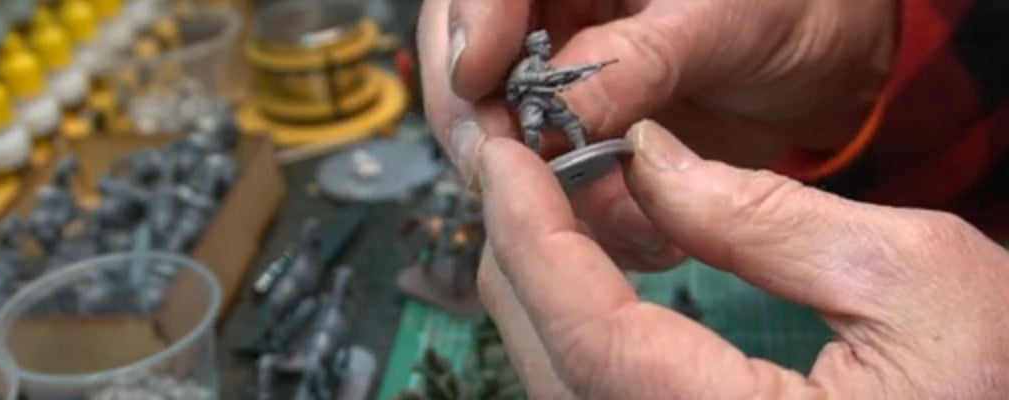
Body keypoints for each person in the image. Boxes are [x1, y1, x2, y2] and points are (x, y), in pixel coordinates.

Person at [417, 0, 1009, 398]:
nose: (546, 42)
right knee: (537, 132)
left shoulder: (544, 64)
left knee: (572, 122)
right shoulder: (527, 72)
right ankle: (535, 154)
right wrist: (873, 53)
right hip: (535, 109)